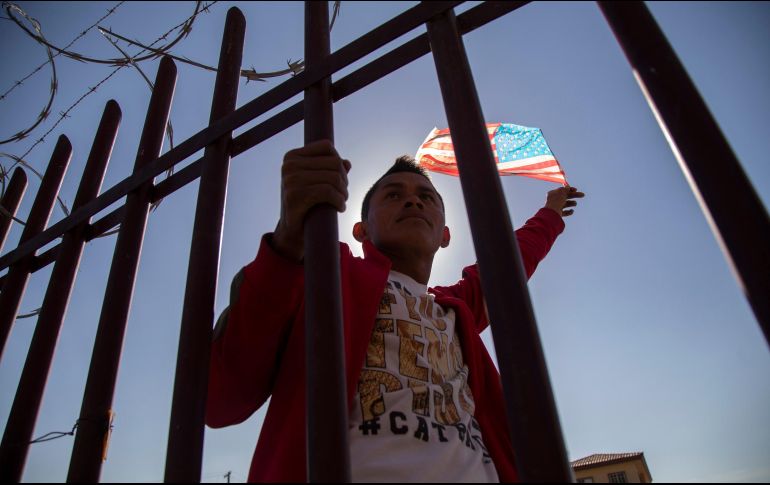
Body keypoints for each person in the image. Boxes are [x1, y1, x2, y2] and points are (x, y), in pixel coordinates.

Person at [206, 140, 584, 482]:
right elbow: (220, 398)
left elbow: (508, 261)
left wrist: (550, 215)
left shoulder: (456, 309)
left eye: (426, 195)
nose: (413, 201)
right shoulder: (321, 272)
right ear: (361, 230)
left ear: (445, 235)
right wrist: (289, 238)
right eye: (393, 194)